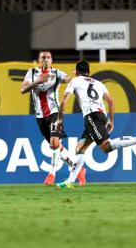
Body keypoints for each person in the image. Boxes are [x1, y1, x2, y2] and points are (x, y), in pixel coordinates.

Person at [56, 60, 136, 188]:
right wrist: (111, 120)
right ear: (89, 72)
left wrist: (60, 120)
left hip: (91, 116)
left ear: (77, 72)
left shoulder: (75, 81)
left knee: (106, 147)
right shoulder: (99, 83)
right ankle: (70, 182)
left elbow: (64, 101)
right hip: (101, 115)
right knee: (80, 148)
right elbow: (111, 102)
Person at [21, 50, 86, 186]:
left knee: (54, 143)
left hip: (54, 113)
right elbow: (23, 89)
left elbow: (69, 79)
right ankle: (77, 168)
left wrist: (76, 78)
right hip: (40, 115)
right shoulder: (31, 73)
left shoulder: (57, 73)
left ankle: (52, 174)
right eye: (43, 57)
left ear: (52, 60)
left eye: (48, 57)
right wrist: (37, 82)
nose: (46, 60)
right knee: (57, 146)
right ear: (39, 60)